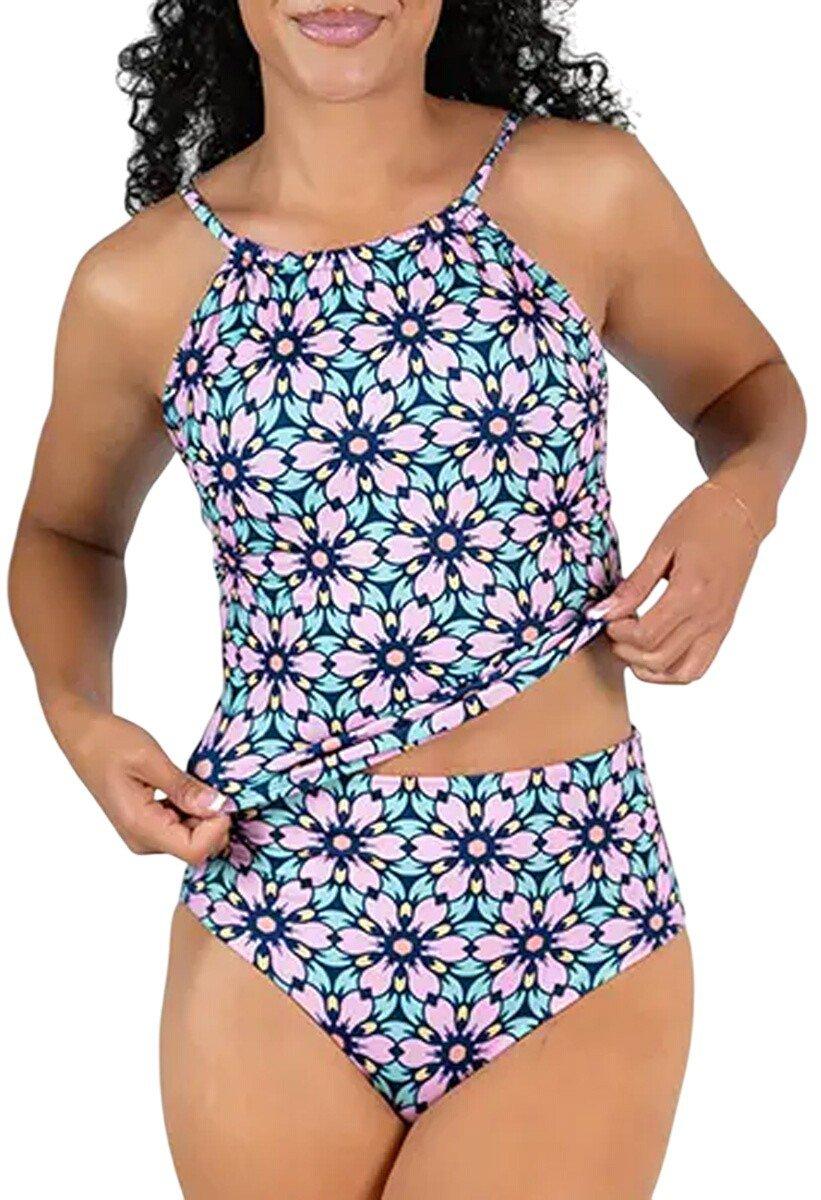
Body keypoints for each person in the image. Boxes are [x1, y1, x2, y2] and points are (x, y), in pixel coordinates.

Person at [8, 3, 806, 1198]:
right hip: (278, 899)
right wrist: (77, 716)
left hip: (569, 892)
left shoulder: (581, 192)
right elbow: (66, 534)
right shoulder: (139, 285)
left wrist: (737, 508)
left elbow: (745, 385)